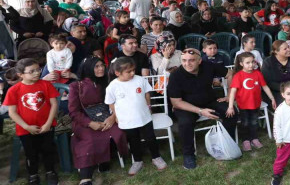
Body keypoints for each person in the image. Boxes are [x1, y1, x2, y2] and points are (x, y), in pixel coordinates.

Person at [167, 48, 238, 169]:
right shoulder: (176, 75)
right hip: (186, 106)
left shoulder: (208, 66)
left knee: (231, 112)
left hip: (209, 101)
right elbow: (176, 102)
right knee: (185, 123)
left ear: (199, 61)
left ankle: (226, 142)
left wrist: (229, 94)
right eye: (184, 60)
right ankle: (188, 154)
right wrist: (200, 111)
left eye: (191, 60)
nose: (187, 64)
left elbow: (230, 73)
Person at [68, 56, 127, 185]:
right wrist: (90, 123)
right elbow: (74, 112)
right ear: (88, 68)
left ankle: (104, 161)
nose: (101, 69)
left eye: (102, 66)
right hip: (84, 120)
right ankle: (86, 178)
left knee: (118, 132)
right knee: (89, 139)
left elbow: (119, 102)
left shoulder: (109, 82)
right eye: (96, 66)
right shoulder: (75, 86)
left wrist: (113, 117)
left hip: (108, 116)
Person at [105, 58, 167, 175]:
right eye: (129, 71)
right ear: (118, 73)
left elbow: (146, 93)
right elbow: (111, 103)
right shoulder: (112, 86)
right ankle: (137, 161)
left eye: (133, 70)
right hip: (127, 120)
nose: (133, 73)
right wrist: (116, 115)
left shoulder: (140, 80)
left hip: (144, 117)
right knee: (134, 140)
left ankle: (156, 157)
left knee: (150, 138)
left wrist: (149, 106)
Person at [3, 58, 60, 185]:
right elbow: (12, 112)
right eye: (31, 71)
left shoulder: (45, 84)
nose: (36, 73)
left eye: (38, 69)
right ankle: (33, 174)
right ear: (20, 74)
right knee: (31, 153)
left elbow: (54, 104)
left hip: (47, 126)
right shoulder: (13, 90)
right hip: (25, 129)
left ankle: (50, 171)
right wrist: (27, 127)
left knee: (48, 150)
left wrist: (48, 123)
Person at [226, 52, 277, 151]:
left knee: (254, 121)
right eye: (247, 62)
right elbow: (233, 92)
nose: (251, 65)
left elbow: (264, 86)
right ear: (241, 64)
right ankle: (246, 140)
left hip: (255, 103)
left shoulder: (258, 73)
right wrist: (230, 106)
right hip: (243, 104)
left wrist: (272, 98)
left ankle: (254, 138)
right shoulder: (238, 76)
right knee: (245, 122)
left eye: (252, 62)